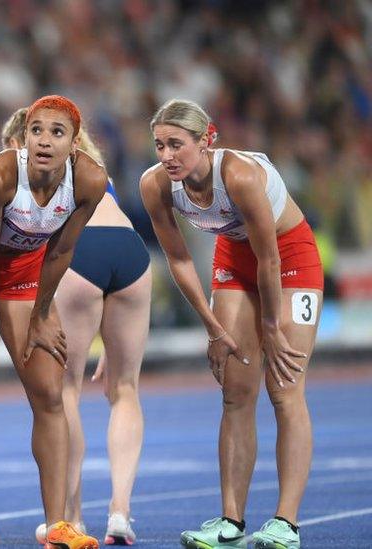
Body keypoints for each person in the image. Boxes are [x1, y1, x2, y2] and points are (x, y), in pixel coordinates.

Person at [140, 99, 322, 549]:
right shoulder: (155, 185)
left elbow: (270, 258)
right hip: (234, 258)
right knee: (236, 391)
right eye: (160, 145)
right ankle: (231, 522)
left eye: (177, 145)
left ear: (208, 140)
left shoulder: (238, 176)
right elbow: (179, 258)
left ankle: (286, 523)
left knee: (284, 386)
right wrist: (213, 327)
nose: (167, 156)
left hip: (289, 256)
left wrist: (272, 328)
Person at [0, 95, 105, 549]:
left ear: (73, 143)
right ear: (24, 136)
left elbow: (62, 249)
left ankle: (58, 524)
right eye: (36, 131)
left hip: (27, 267)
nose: (45, 141)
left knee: (49, 393)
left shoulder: (89, 179)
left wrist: (43, 313)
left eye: (57, 132)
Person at [1, 109, 151, 546]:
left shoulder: (28, 172)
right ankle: (120, 511)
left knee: (64, 391)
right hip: (129, 250)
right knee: (125, 388)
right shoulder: (95, 174)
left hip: (79, 255)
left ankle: (72, 516)